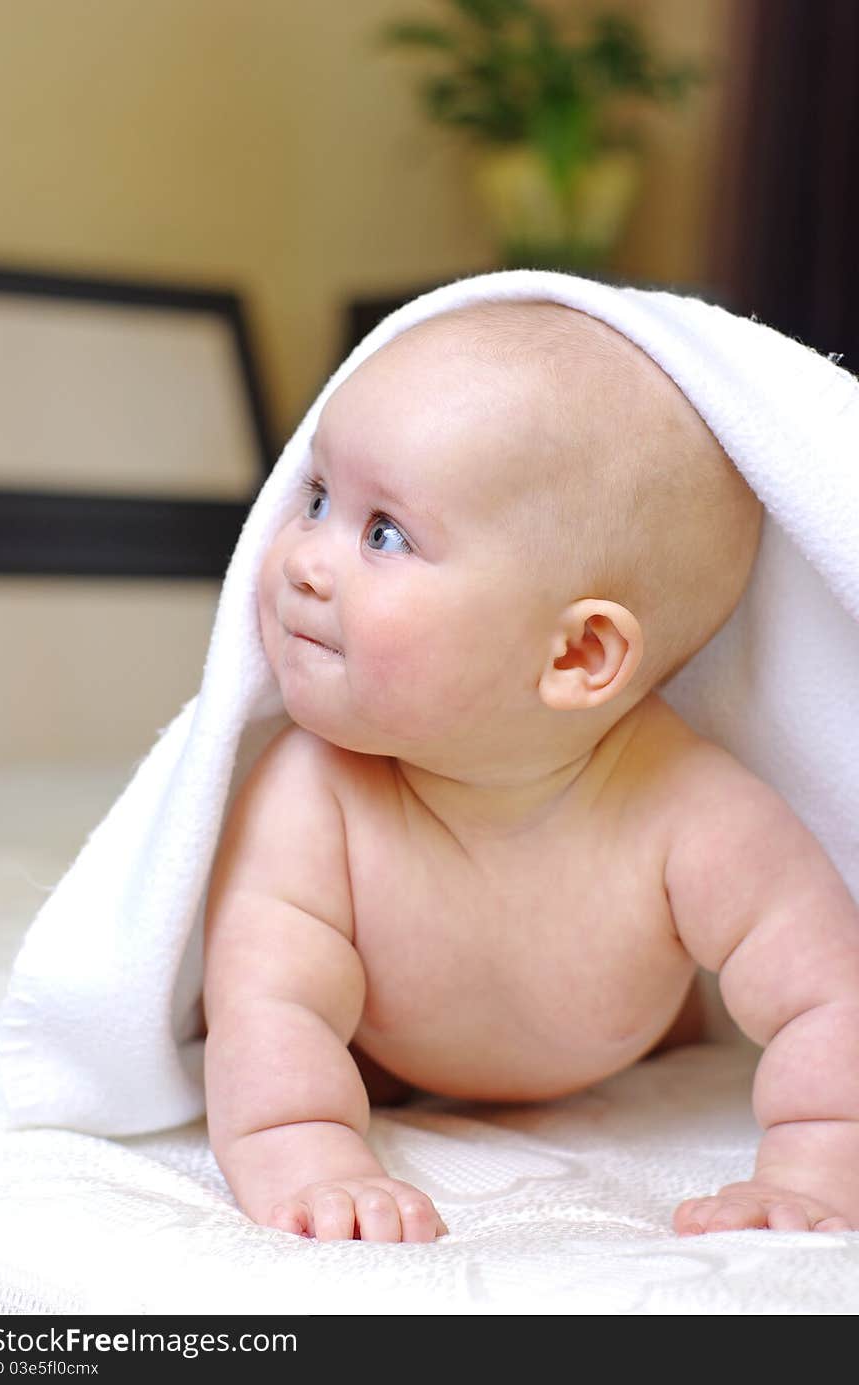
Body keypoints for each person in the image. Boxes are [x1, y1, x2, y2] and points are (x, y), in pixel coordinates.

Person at [202, 299, 859, 1242]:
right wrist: (311, 1152)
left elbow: (829, 993)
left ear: (579, 656)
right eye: (315, 499)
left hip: (618, 1041)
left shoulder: (692, 813)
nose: (303, 558)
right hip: (387, 1050)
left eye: (383, 531)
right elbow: (268, 1004)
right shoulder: (316, 791)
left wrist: (817, 1163)